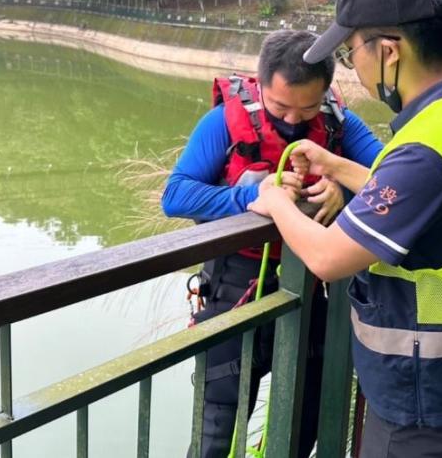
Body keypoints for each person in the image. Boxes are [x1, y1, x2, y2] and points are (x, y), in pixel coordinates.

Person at [246, 0, 442, 458]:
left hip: (429, 400)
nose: (352, 65)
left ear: (388, 51)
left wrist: (272, 198)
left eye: (352, 49)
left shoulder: (424, 152)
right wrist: (336, 167)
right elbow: (433, 200)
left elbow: (329, 257)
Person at [161, 29, 383, 458]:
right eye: (280, 106)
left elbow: (389, 178)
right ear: (261, 85)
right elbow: (175, 195)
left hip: (313, 287)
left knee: (303, 420)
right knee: (217, 428)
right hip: (235, 289)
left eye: (308, 108)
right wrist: (252, 195)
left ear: (326, 93)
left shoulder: (337, 122)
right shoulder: (225, 121)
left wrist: (344, 185)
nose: (294, 120)